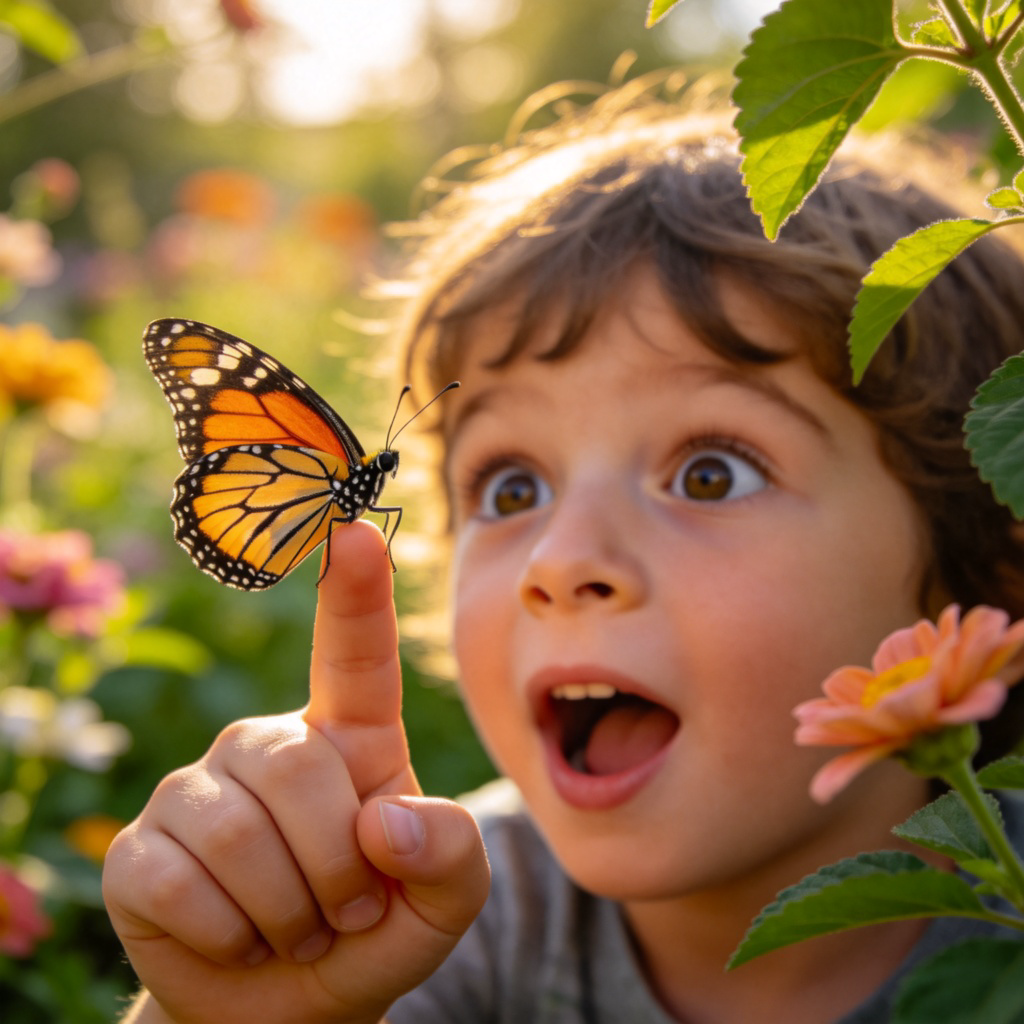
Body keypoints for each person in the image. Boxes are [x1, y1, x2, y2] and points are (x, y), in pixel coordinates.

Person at [103, 78, 1024, 1023]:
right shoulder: (436, 921)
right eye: (511, 489)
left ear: (991, 558)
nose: (559, 557)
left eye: (711, 474)